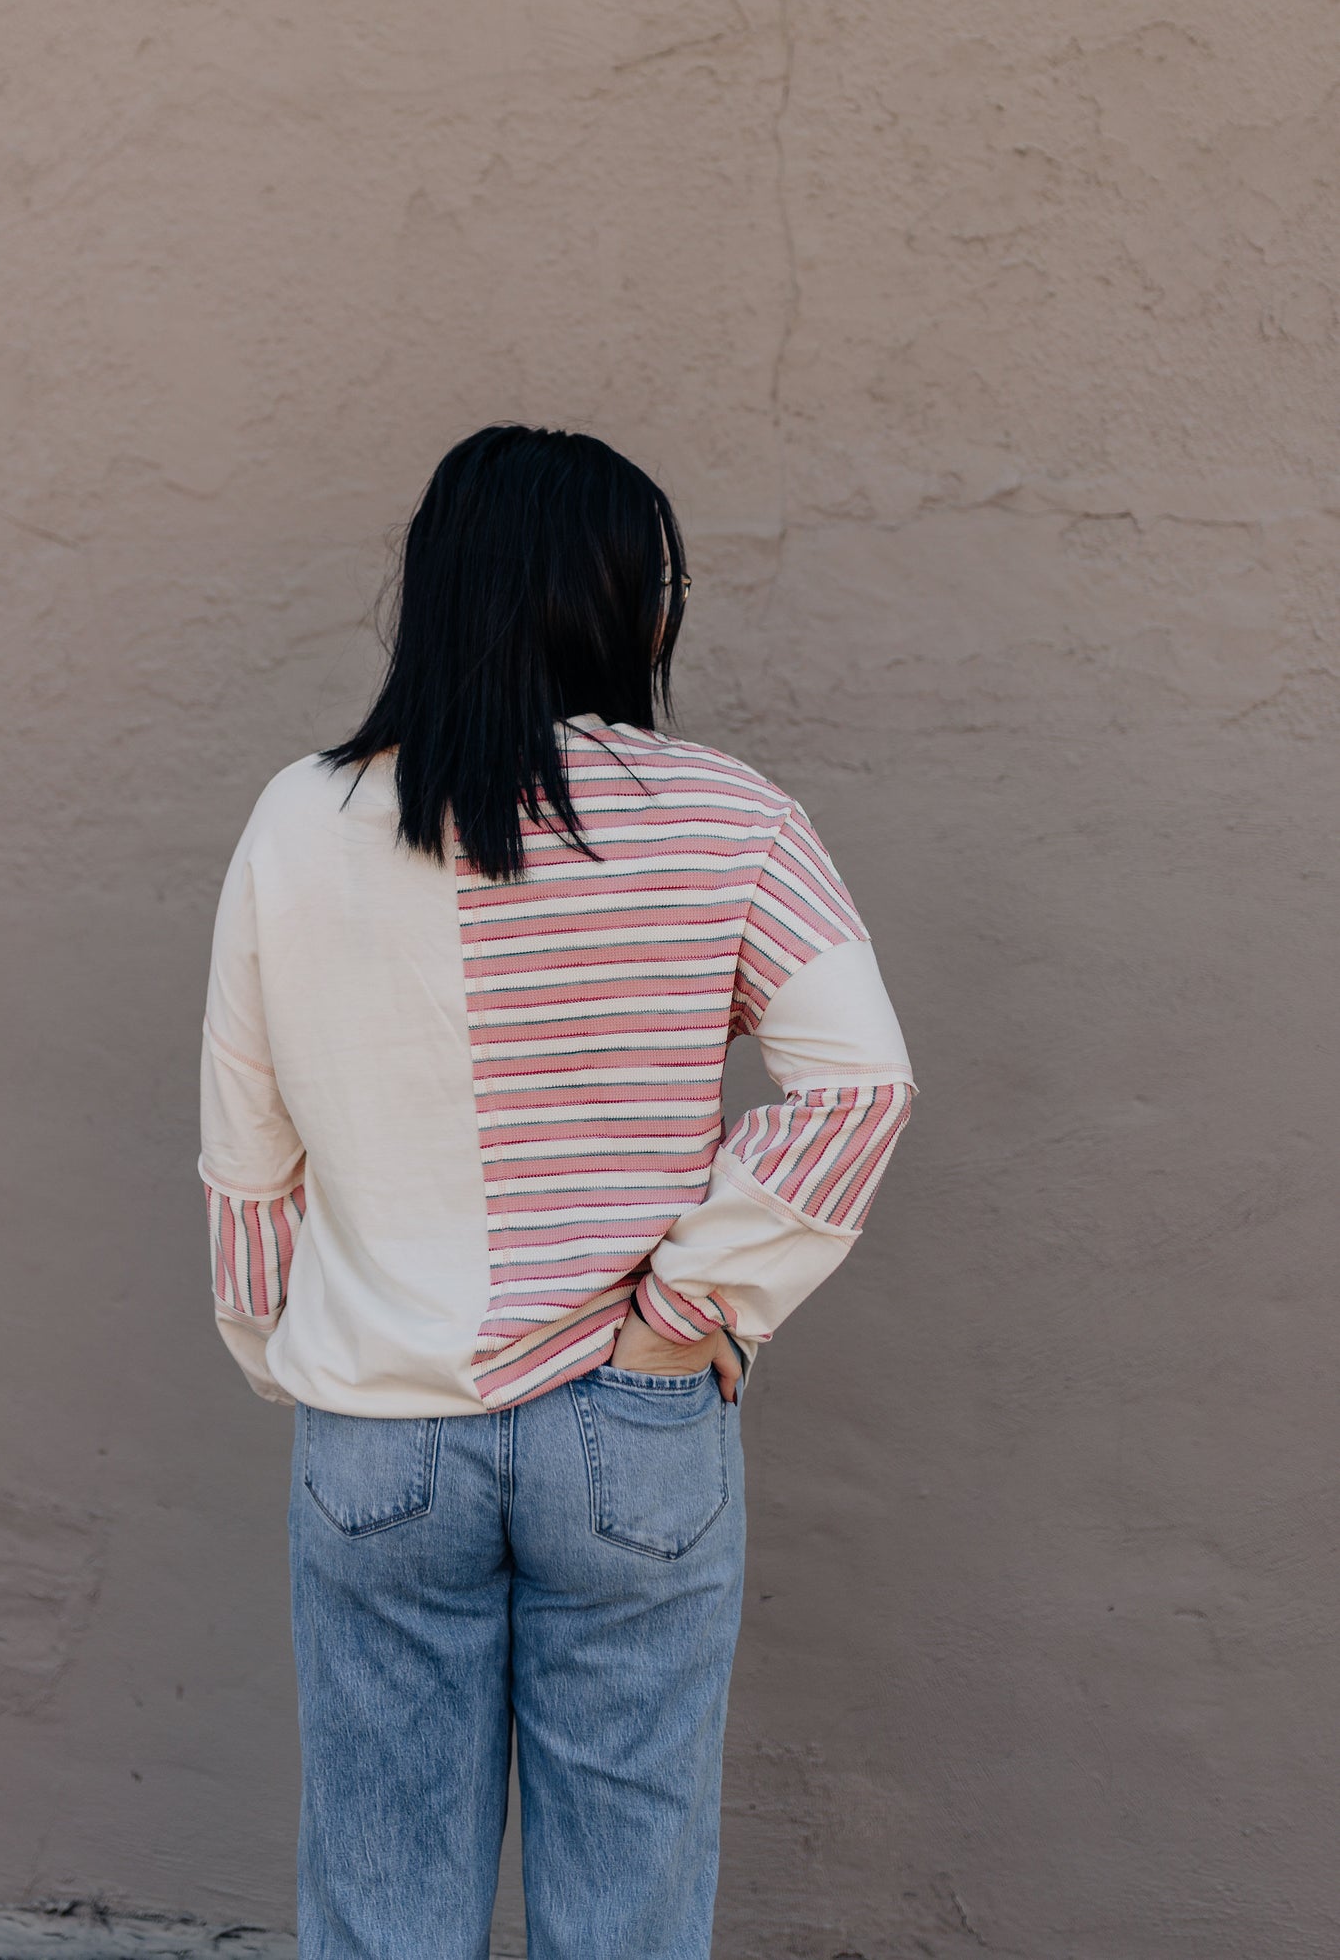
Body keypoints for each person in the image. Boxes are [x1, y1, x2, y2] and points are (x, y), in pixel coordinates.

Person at [198, 423, 916, 1960]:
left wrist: (294, 1353)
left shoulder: (294, 823)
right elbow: (858, 1086)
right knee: (630, 1909)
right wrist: (686, 1315)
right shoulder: (730, 814)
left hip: (376, 1431)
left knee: (380, 1911)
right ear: (610, 599)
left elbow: (247, 1158)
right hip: (628, 1425)